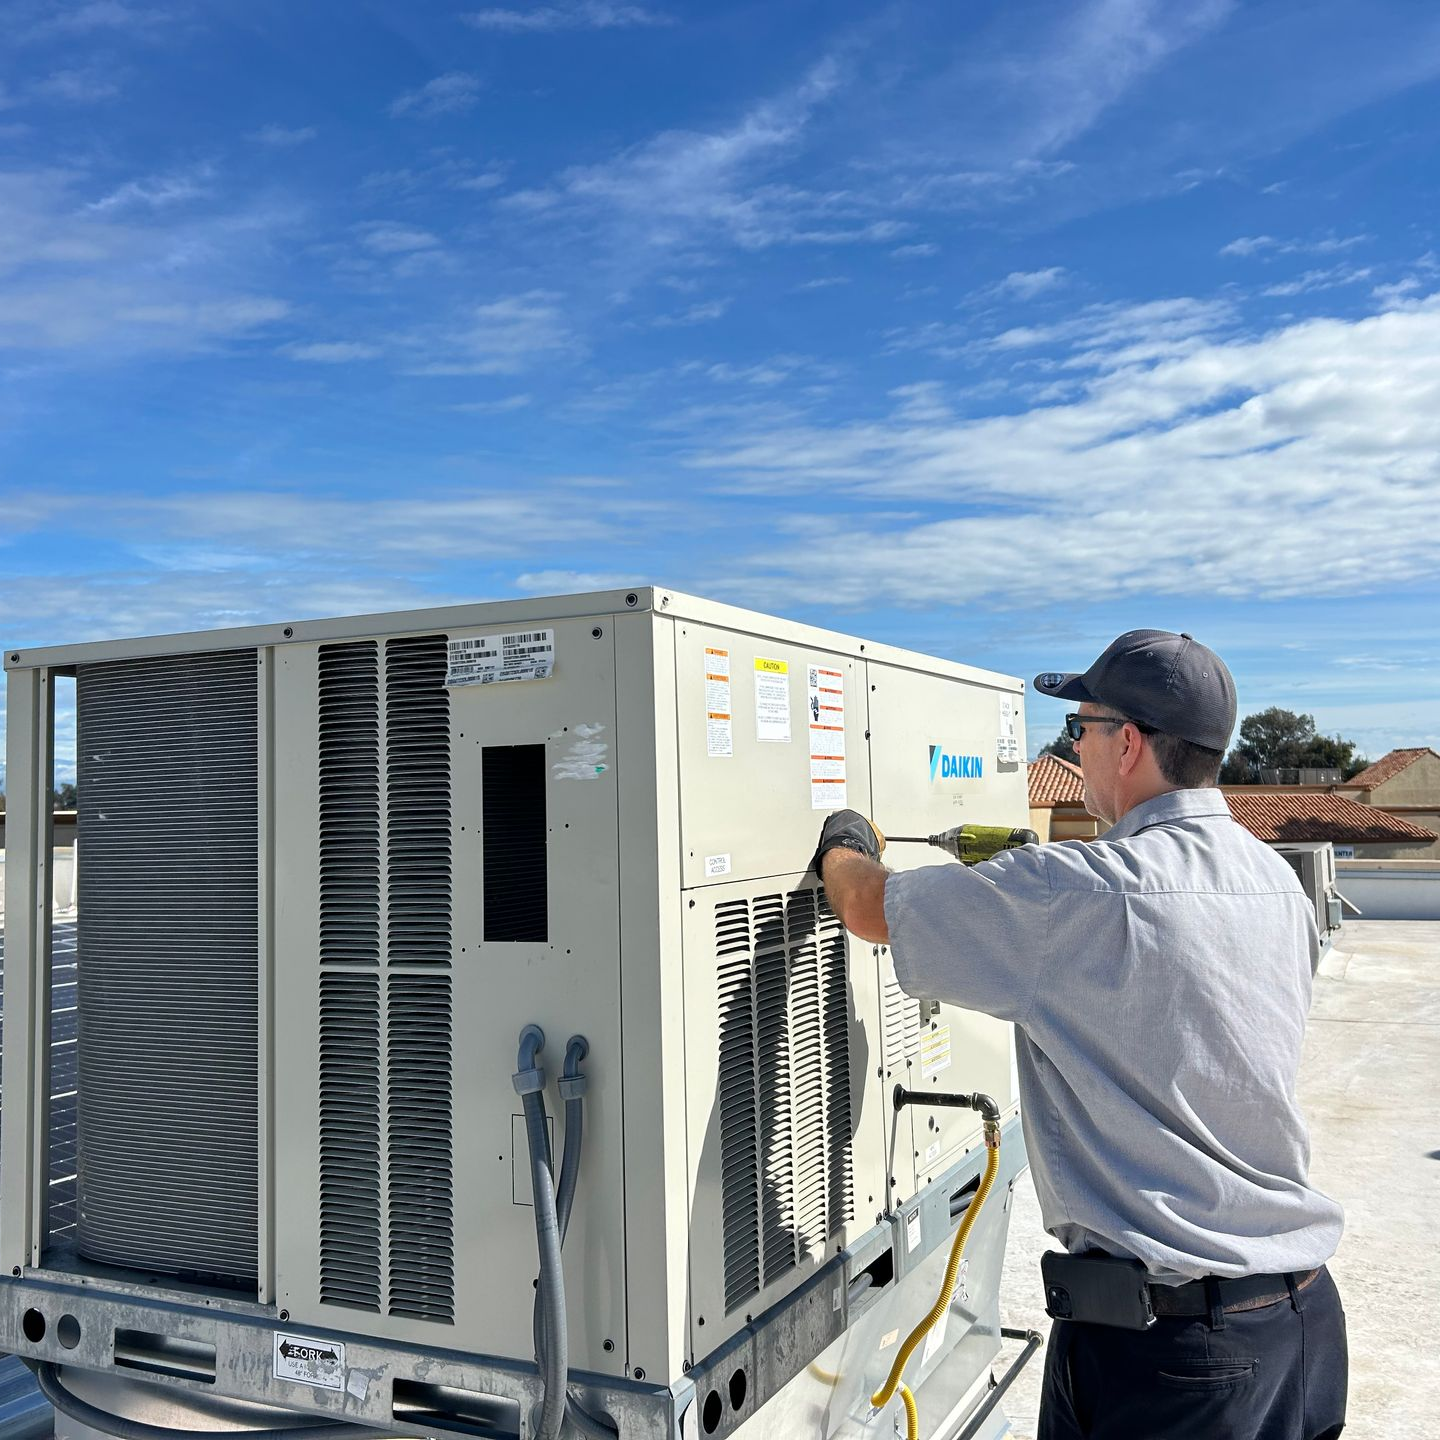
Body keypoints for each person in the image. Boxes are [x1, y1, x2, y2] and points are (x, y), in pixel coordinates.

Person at [815, 629, 1347, 1440]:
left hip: (1170, 1361)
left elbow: (865, 906)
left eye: (1079, 729)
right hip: (1297, 1328)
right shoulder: (1276, 882)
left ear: (1127, 743)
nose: (1074, 748)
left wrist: (845, 843)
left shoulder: (1081, 892)